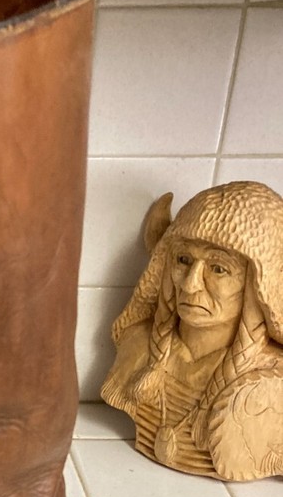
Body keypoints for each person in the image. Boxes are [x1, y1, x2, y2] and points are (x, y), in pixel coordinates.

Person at [102, 180, 283, 481]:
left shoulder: (269, 388)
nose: (189, 284)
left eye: (219, 269)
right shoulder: (137, 349)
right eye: (183, 260)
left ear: (258, 286)